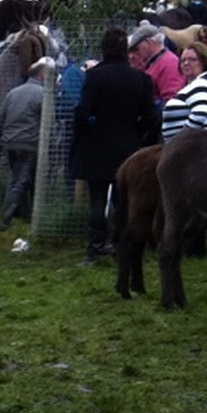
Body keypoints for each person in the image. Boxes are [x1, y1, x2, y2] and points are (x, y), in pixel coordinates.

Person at [72, 27, 160, 263]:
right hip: (128, 148)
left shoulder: (95, 77)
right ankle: (122, 245)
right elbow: (151, 116)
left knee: (98, 199)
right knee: (124, 201)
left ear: (104, 49)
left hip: (97, 147)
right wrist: (136, 132)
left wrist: (94, 123)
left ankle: (95, 247)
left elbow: (84, 113)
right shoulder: (141, 79)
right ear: (126, 50)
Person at [0, 57, 52, 229]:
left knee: (19, 177)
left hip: (9, 142)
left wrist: (4, 138)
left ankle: (27, 214)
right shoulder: (42, 94)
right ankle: (5, 220)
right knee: (19, 181)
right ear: (43, 74)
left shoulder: (13, 93)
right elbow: (48, 121)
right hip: (28, 143)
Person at [160, 44, 207, 141]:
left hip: (191, 146)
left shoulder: (201, 84)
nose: (186, 63)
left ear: (203, 61)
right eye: (183, 60)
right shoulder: (206, 81)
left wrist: (181, 140)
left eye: (192, 59)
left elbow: (199, 116)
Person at [127, 23, 185, 101]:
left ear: (147, 42)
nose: (137, 52)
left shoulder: (169, 63)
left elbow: (171, 99)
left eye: (136, 48)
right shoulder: (154, 62)